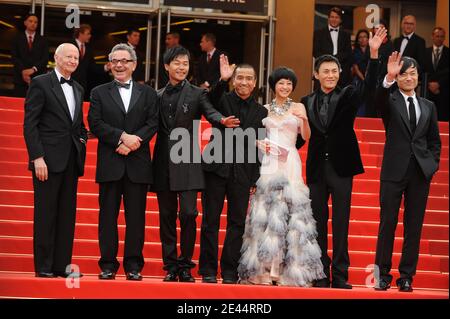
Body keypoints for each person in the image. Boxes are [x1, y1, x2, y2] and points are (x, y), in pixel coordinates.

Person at [296, 27, 387, 289]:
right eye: (325, 71)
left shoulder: (348, 95)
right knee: (318, 223)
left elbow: (370, 88)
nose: (330, 75)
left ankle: (340, 275)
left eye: (334, 71)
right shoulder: (306, 101)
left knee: (341, 223)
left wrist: (372, 53)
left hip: (342, 167)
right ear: (316, 74)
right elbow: (302, 137)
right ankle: (320, 274)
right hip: (316, 169)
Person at [150, 46, 239, 283]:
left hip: (188, 159)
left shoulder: (196, 93)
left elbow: (211, 111)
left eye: (185, 63)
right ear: (166, 66)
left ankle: (186, 264)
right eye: (177, 63)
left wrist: (222, 118)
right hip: (162, 163)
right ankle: (171, 266)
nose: (181, 67)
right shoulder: (156, 95)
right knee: (166, 216)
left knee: (189, 213)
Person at [238, 67, 325, 286]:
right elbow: (256, 136)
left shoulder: (298, 107)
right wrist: (260, 144)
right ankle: (266, 271)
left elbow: (306, 136)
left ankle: (289, 272)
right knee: (268, 213)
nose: (285, 87)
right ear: (273, 85)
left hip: (291, 161)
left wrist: (305, 120)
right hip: (269, 162)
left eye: (289, 84)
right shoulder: (264, 109)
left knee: (293, 214)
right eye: (281, 83)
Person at [88, 44, 159, 281]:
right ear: (110, 64)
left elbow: (153, 122)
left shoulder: (148, 93)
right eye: (115, 61)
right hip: (111, 161)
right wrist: (121, 138)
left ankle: (133, 266)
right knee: (107, 216)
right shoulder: (98, 92)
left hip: (137, 163)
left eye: (124, 61)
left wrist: (135, 141)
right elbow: (95, 123)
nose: (119, 65)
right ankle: (108, 264)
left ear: (134, 64)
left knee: (136, 218)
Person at [374, 53, 441, 292]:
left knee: (414, 226)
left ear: (418, 77)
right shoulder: (389, 101)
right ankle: (381, 275)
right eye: (404, 74)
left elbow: (434, 141)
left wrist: (431, 165)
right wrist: (388, 78)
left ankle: (406, 276)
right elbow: (378, 98)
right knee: (387, 223)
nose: (409, 78)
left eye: (413, 73)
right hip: (393, 170)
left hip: (420, 173)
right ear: (398, 77)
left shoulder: (429, 106)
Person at [199, 57, 269, 284]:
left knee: (236, 223)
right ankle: (208, 270)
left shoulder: (261, 112)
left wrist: (255, 178)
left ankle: (229, 270)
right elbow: (207, 100)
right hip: (216, 168)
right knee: (210, 220)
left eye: (249, 78)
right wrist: (222, 79)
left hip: (243, 172)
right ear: (234, 80)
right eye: (240, 78)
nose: (244, 82)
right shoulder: (222, 99)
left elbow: (261, 147)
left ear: (255, 82)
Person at [23, 43, 87, 278]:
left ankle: (62, 265)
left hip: (71, 159)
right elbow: (30, 123)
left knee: (66, 215)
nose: (73, 60)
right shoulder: (40, 83)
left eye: (76, 57)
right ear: (56, 58)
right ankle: (44, 267)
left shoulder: (78, 87)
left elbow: (78, 125)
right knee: (46, 213)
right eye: (68, 56)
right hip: (47, 161)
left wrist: (82, 142)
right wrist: (37, 157)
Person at [313, 7, 353, 87]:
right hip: (323, 71)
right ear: (328, 18)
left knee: (341, 98)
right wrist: (329, 60)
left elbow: (348, 53)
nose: (334, 19)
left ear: (340, 20)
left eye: (337, 17)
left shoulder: (346, 35)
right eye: (332, 17)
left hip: (342, 74)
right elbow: (316, 52)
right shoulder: (318, 33)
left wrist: (336, 60)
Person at [11, 14, 48, 97]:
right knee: (18, 105)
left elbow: (45, 58)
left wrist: (33, 69)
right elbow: (14, 57)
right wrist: (23, 71)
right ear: (25, 23)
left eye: (35, 22)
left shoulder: (43, 40)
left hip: (38, 79)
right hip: (20, 80)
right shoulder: (16, 39)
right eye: (30, 21)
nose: (33, 24)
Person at [71, 24, 110, 100]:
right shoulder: (70, 45)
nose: (90, 36)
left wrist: (106, 67)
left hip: (82, 85)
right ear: (80, 34)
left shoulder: (88, 49)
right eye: (88, 33)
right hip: (69, 82)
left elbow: (92, 66)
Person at [424, 27, 449, 121]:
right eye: (437, 36)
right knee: (427, 119)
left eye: (442, 36)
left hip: (444, 93)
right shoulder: (425, 51)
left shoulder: (448, 52)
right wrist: (429, 84)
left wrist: (439, 84)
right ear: (432, 37)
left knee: (442, 119)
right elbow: (422, 70)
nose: (439, 38)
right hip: (427, 92)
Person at [352, 29, 371, 116]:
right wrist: (363, 79)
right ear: (357, 40)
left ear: (368, 39)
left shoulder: (372, 50)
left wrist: (367, 79)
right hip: (358, 79)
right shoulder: (354, 50)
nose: (362, 39)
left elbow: (371, 64)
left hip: (370, 78)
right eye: (360, 37)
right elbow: (355, 68)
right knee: (358, 99)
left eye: (364, 37)